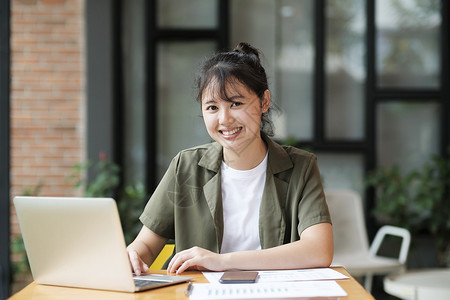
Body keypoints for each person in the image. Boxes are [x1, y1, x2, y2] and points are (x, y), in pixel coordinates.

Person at [127, 42, 333, 275]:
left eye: (236, 103)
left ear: (264, 102)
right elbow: (145, 245)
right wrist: (132, 255)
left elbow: (319, 250)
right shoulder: (186, 167)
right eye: (212, 107)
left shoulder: (301, 167)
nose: (224, 119)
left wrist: (222, 261)